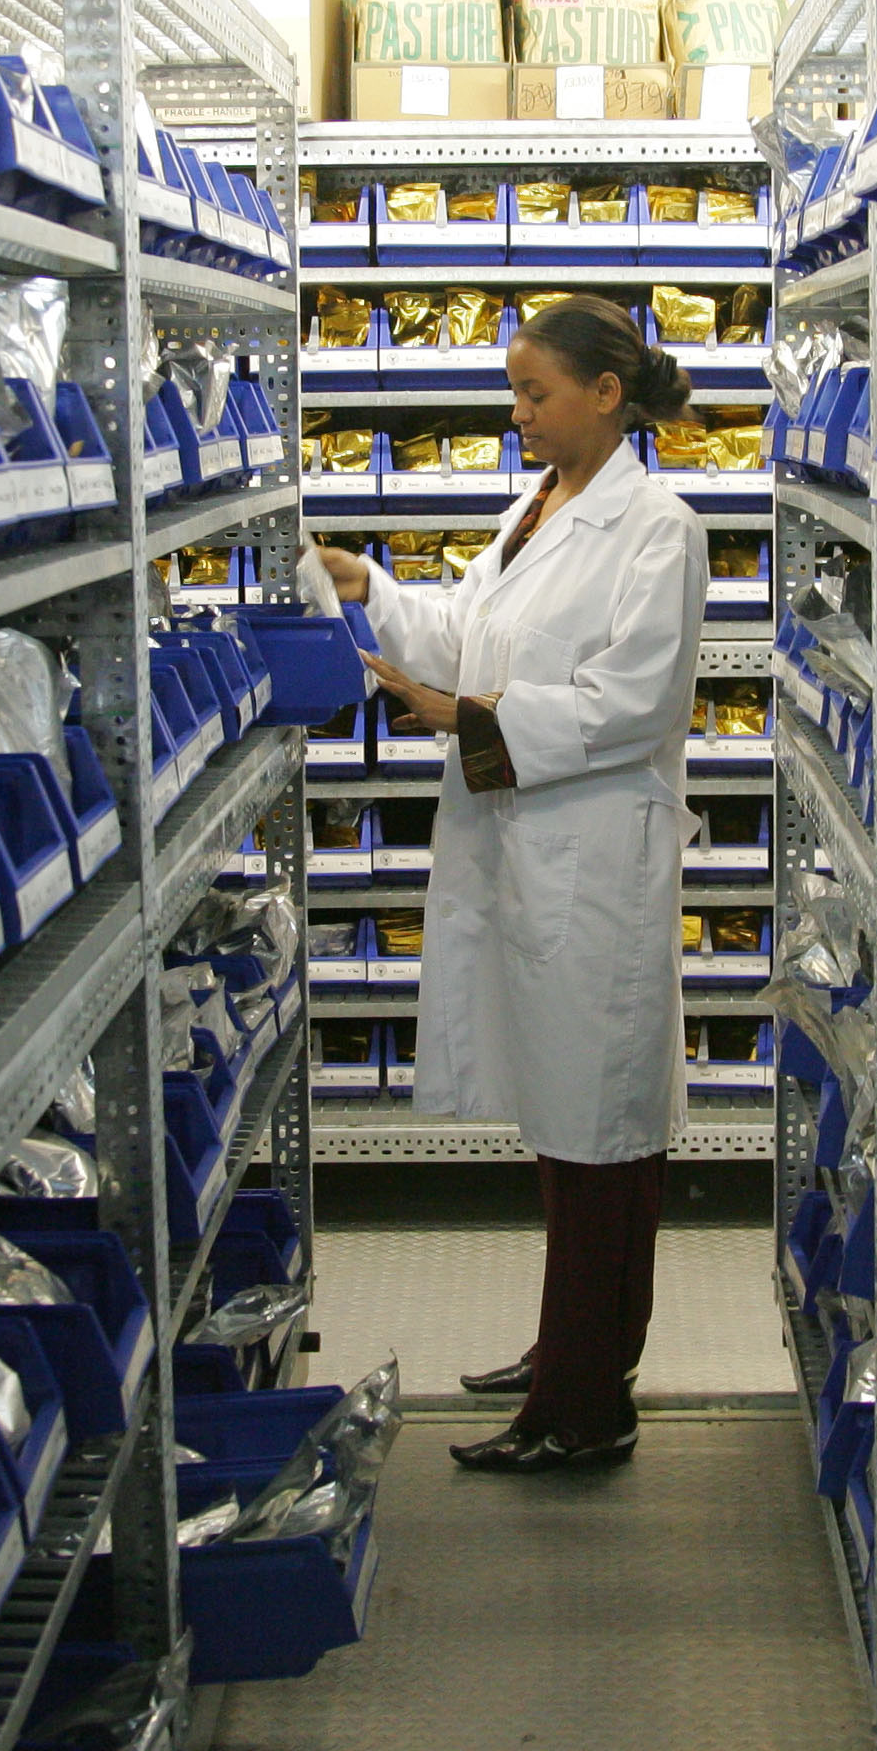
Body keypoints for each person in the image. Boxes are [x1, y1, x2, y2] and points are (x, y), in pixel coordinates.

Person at [304, 292, 707, 1473]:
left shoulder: (659, 528)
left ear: (605, 395)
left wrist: (462, 717)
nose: (519, 413)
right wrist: (369, 587)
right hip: (533, 846)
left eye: (535, 393)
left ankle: (583, 1407)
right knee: (574, 1126)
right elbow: (471, 632)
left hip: (594, 857)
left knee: (600, 1137)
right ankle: (575, 1348)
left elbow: (636, 706)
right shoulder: (537, 507)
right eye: (514, 392)